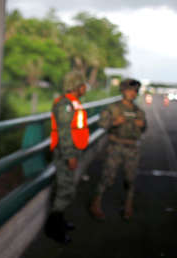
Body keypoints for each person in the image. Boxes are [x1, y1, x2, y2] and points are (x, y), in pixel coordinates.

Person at [89, 78, 146, 221]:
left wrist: (142, 125)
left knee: (130, 179)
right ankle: (95, 203)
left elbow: (144, 128)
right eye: (129, 90)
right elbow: (101, 124)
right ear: (122, 91)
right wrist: (114, 122)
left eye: (135, 91)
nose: (132, 93)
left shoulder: (138, 111)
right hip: (116, 146)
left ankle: (128, 206)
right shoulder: (113, 108)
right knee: (108, 177)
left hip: (133, 147)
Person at [45, 71, 90, 243]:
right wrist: (70, 156)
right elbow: (64, 133)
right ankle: (53, 229)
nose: (85, 88)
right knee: (65, 191)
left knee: (65, 188)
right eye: (83, 84)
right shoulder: (65, 105)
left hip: (72, 151)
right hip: (65, 153)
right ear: (77, 86)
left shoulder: (73, 103)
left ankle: (60, 221)